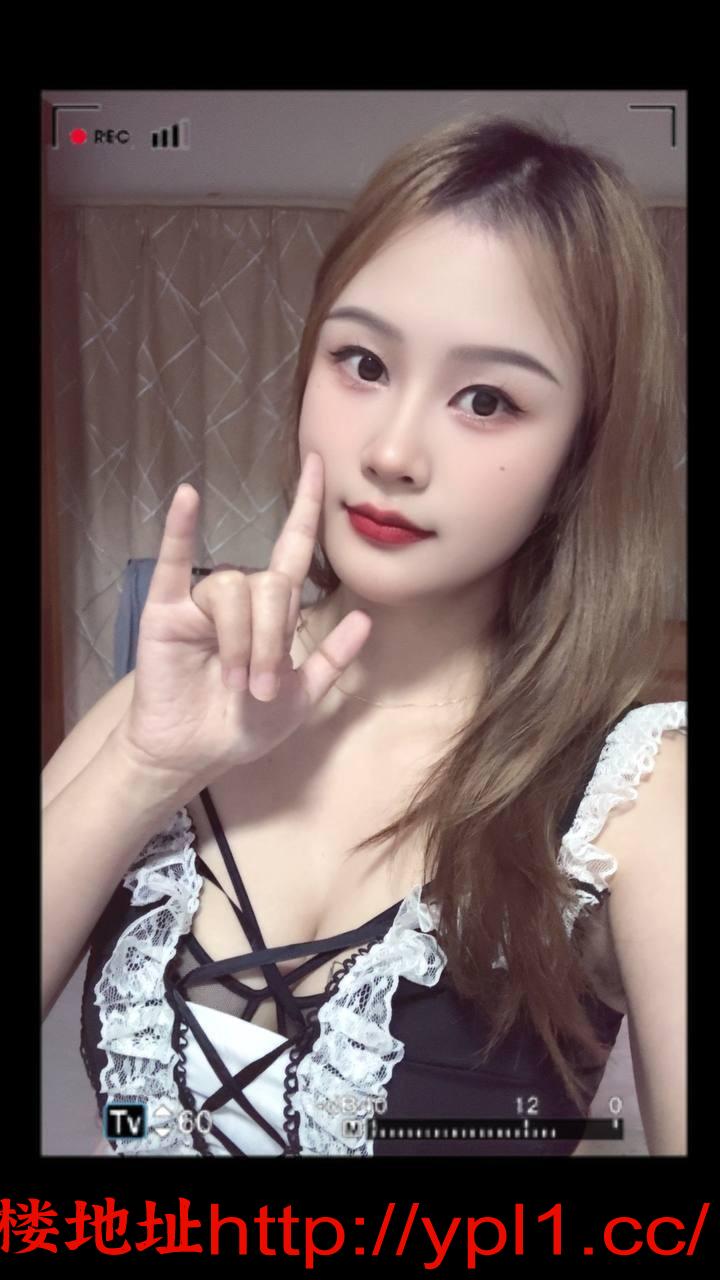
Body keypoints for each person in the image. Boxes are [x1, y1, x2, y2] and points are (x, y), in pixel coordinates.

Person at [42, 113, 686, 1158]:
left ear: (581, 452)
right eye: (363, 362)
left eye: (487, 399)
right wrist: (141, 767)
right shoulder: (163, 706)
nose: (391, 451)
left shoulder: (636, 796)